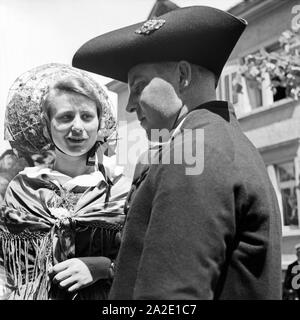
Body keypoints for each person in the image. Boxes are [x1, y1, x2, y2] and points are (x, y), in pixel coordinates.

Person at [73, 6, 282, 299]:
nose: (131, 105)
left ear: (183, 76)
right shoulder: (223, 142)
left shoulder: (192, 154)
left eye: (139, 86)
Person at [0, 63, 129, 300]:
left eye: (87, 116)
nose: (77, 127)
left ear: (99, 124)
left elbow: (145, 258)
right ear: (48, 128)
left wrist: (105, 267)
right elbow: (5, 266)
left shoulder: (120, 188)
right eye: (66, 117)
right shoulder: (22, 188)